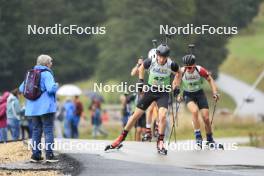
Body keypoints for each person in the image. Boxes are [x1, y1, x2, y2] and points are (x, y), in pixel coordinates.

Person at [105, 44, 182, 155]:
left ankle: (160, 142)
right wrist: (141, 81)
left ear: (167, 57)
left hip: (163, 92)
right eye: (160, 56)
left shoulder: (171, 64)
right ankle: (120, 138)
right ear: (157, 55)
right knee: (135, 115)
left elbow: (179, 73)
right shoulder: (151, 61)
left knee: (163, 115)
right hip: (150, 91)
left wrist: (176, 86)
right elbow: (141, 68)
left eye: (164, 57)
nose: (161, 59)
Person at [19, 54, 59, 162]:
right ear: (46, 63)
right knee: (48, 130)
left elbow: (21, 88)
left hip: (32, 108)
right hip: (45, 108)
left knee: (36, 131)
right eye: (50, 62)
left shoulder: (31, 73)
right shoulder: (47, 74)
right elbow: (51, 89)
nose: (51, 64)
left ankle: (35, 155)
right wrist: (56, 85)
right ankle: (49, 155)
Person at [179, 54, 221, 148]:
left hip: (199, 94)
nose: (188, 69)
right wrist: (178, 94)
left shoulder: (200, 70)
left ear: (194, 65)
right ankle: (198, 136)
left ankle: (210, 140)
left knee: (206, 118)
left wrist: (215, 93)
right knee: (194, 111)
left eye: (190, 67)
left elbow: (210, 79)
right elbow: (175, 82)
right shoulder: (182, 71)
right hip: (188, 94)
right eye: (186, 67)